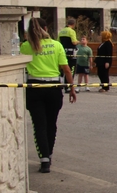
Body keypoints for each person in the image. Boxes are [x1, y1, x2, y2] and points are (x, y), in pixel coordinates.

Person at [21, 17, 77, 173]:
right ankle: (49, 154)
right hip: (54, 88)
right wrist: (71, 88)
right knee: (51, 123)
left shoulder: (26, 46)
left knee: (39, 125)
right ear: (46, 28)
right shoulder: (56, 45)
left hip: (35, 87)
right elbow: (66, 69)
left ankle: (44, 158)